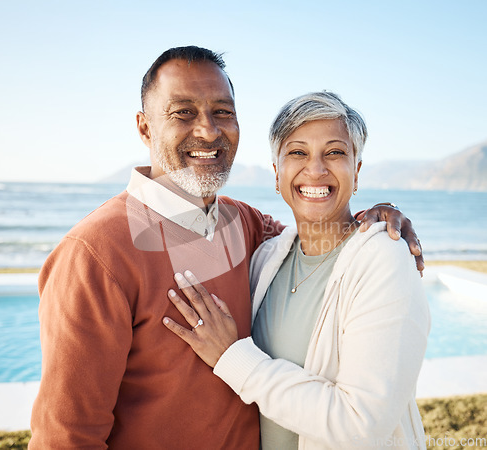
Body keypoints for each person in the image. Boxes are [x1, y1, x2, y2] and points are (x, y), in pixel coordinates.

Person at [29, 46, 423, 449]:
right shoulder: (93, 253)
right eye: (183, 112)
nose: (208, 131)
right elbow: (66, 436)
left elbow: (320, 235)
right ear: (145, 128)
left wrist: (380, 215)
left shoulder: (248, 226)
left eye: (222, 111)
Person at [164, 92, 430, 449]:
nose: (316, 169)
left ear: (357, 171)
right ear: (277, 175)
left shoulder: (385, 259)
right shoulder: (267, 258)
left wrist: (233, 357)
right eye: (297, 153)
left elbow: (361, 424)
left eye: (335, 153)